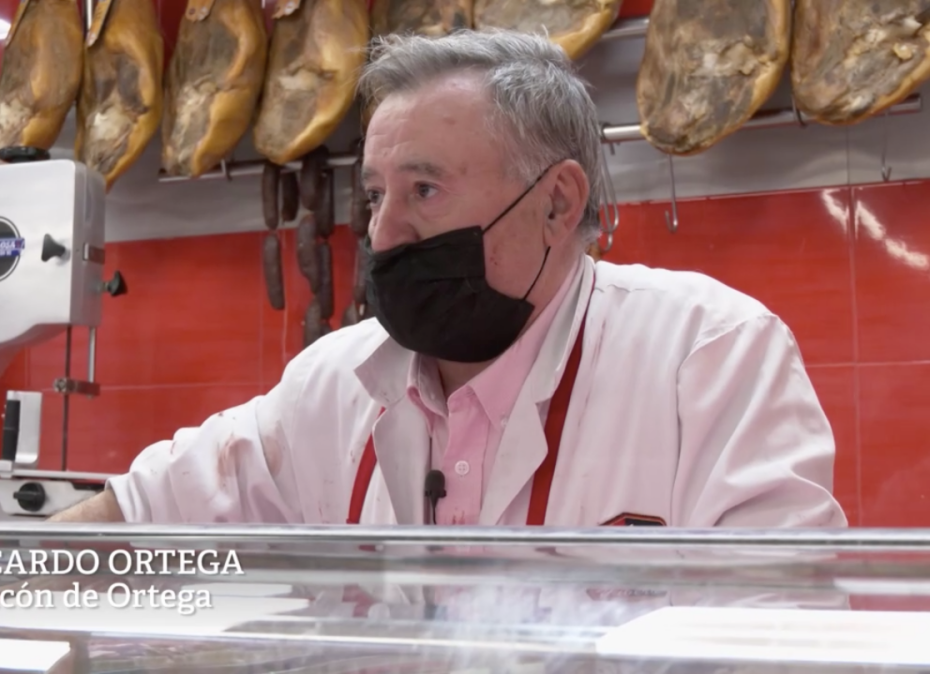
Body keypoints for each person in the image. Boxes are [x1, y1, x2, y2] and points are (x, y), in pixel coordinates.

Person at [52, 29, 847, 528]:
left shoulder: (708, 356)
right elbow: (141, 509)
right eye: (374, 194)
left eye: (424, 190)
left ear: (557, 202)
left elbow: (780, 629)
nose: (382, 232)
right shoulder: (336, 382)